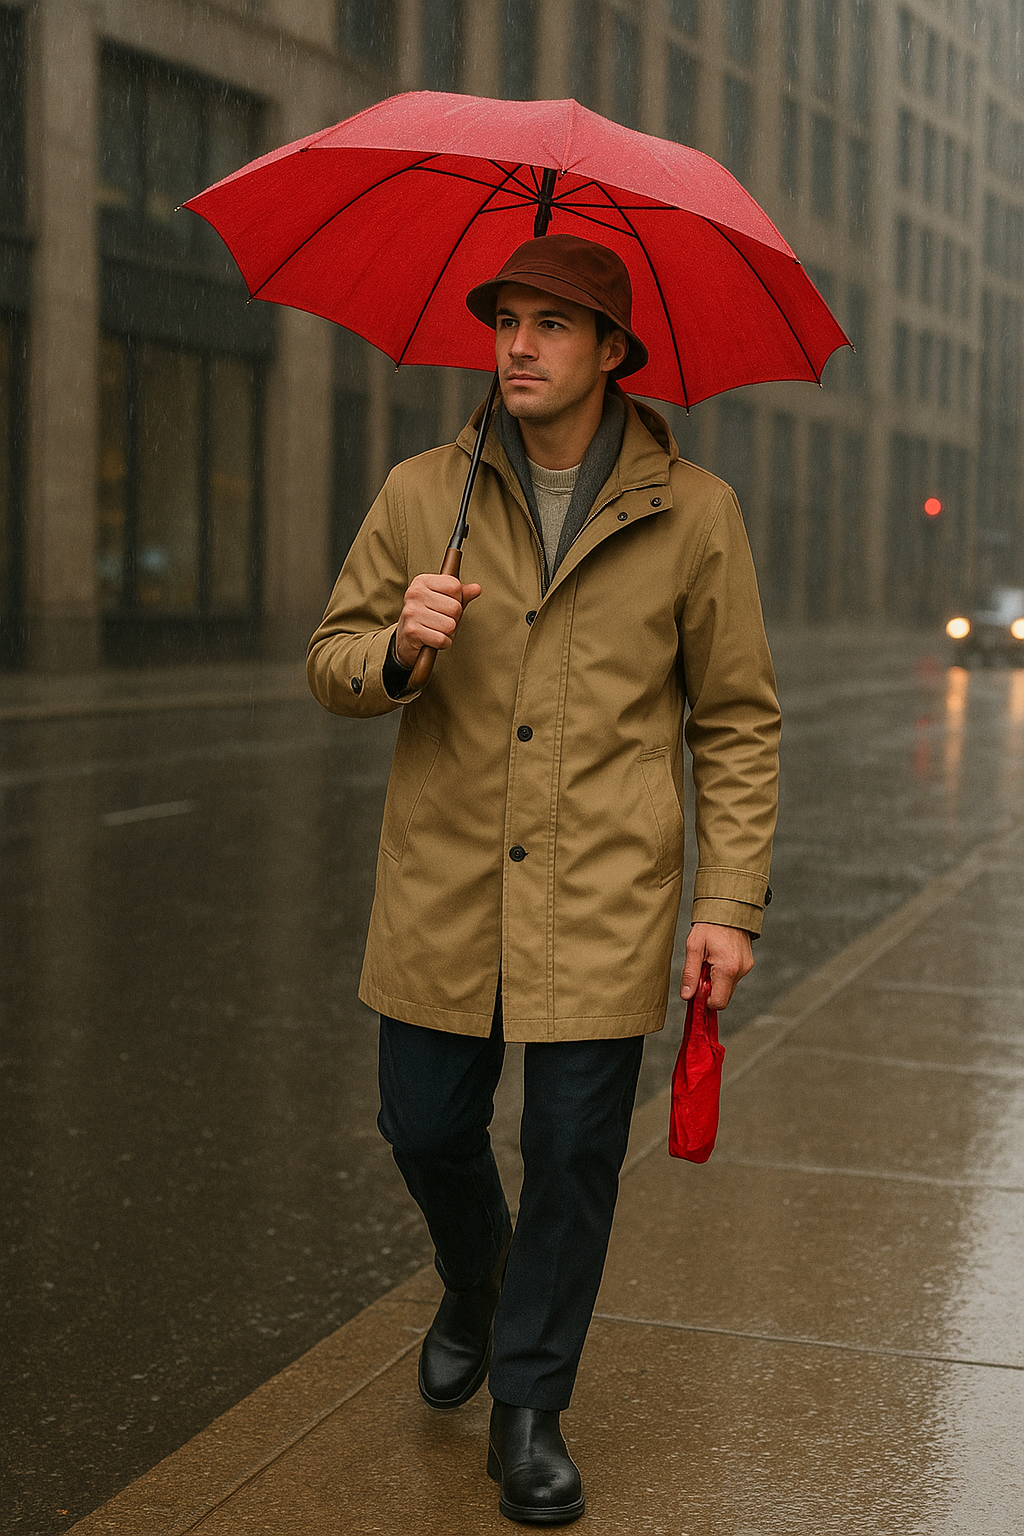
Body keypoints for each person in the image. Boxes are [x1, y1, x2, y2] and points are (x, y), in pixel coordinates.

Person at [307, 233, 780, 1526]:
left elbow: (735, 719)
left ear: (615, 352)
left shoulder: (696, 515)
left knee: (573, 1155)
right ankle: (475, 1272)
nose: (517, 344)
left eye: (552, 324)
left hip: (607, 896)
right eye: (505, 319)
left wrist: (727, 907)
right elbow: (331, 656)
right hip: (445, 891)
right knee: (425, 1126)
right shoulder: (424, 492)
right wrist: (396, 652)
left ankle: (529, 1404)